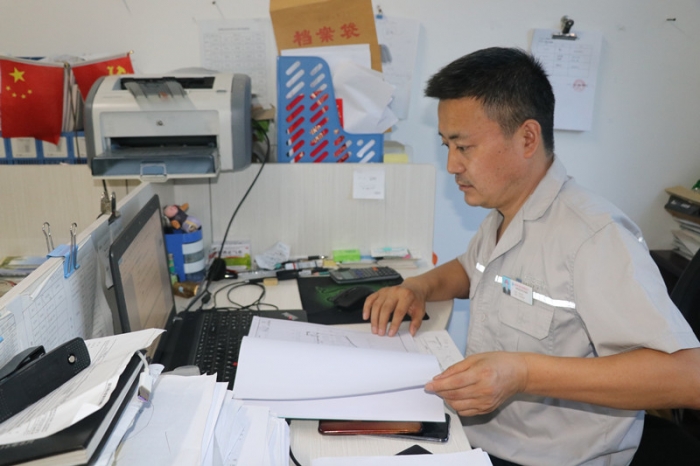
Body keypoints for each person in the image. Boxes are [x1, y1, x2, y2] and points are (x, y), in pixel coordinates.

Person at [362, 47, 700, 466]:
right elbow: (473, 269)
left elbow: (688, 377)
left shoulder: (594, 237)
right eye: (446, 145)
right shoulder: (504, 212)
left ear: (526, 138)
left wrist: (522, 373)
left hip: (553, 458)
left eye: (464, 147)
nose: (452, 165)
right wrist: (419, 287)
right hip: (483, 437)